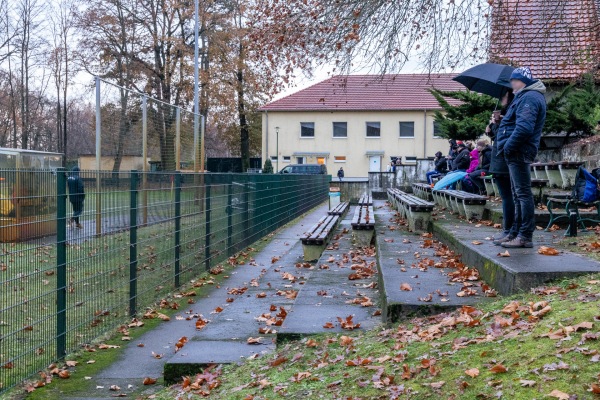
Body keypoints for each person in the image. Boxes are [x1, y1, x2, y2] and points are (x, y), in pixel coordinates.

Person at [496, 67, 547, 248]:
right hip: (516, 151)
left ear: (522, 81)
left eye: (513, 81)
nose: (511, 85)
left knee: (522, 194)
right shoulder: (524, 97)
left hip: (519, 151)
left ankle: (524, 236)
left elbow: (524, 128)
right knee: (518, 194)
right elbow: (515, 124)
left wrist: (508, 147)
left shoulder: (530, 97)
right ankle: (514, 233)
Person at [489, 90, 516, 245]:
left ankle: (509, 229)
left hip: (503, 161)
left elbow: (505, 136)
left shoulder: (511, 112)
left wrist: (499, 123)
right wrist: (492, 127)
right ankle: (508, 229)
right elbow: (498, 136)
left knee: (508, 197)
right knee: (507, 197)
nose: (501, 99)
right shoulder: (508, 113)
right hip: (499, 161)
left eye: (503, 96)